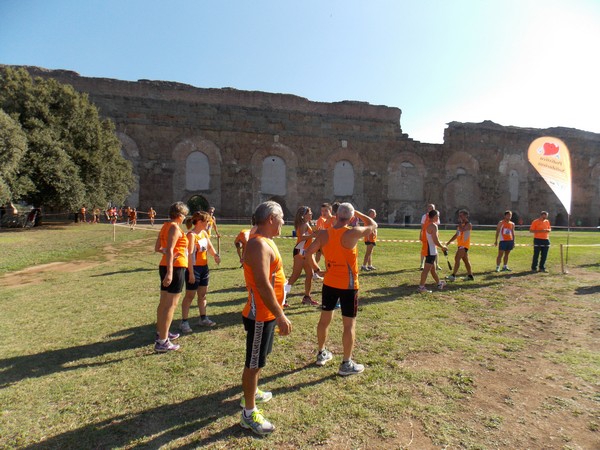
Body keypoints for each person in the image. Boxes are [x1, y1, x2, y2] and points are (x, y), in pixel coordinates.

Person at [305, 203, 377, 376]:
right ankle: (346, 363)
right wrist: (358, 213)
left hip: (329, 283)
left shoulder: (324, 234)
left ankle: (322, 353)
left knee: (324, 320)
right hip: (348, 286)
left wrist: (316, 269)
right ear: (352, 218)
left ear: (335, 215)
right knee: (349, 325)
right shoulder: (353, 232)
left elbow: (308, 252)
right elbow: (373, 225)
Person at [240, 201, 292, 436]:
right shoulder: (258, 244)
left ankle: (253, 392)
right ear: (271, 218)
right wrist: (280, 315)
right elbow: (261, 284)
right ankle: (248, 412)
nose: (284, 222)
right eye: (282, 218)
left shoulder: (265, 241)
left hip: (268, 313)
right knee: (253, 363)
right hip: (261, 315)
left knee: (260, 359)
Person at [154, 202, 189, 352]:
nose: (185, 218)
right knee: (171, 305)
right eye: (185, 215)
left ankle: (162, 332)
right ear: (180, 215)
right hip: (175, 268)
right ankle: (163, 342)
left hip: (167, 266)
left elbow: (158, 248)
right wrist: (170, 271)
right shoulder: (174, 227)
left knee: (164, 303)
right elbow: (168, 249)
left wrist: (169, 255)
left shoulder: (165, 226)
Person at [180, 211, 221, 333]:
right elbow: (190, 254)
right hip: (194, 268)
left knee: (202, 295)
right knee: (189, 296)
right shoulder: (191, 235)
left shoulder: (203, 233)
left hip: (204, 268)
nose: (208, 224)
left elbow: (209, 247)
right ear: (199, 222)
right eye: (206, 221)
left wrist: (215, 256)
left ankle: (203, 318)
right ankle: (184, 322)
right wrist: (191, 273)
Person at [285, 206, 321, 306]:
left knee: (309, 274)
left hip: (305, 251)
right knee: (295, 276)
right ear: (303, 215)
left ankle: (307, 297)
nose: (311, 214)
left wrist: (314, 234)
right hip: (300, 251)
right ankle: (282, 296)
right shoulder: (303, 224)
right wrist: (313, 235)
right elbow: (301, 238)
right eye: (309, 213)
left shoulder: (306, 223)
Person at [418, 209, 447, 292]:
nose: (438, 217)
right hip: (431, 251)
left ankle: (439, 283)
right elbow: (435, 240)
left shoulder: (428, 224)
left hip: (430, 250)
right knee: (426, 270)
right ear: (434, 216)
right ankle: (421, 287)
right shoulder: (434, 226)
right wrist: (442, 247)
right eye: (438, 216)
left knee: (433, 269)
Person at [446, 209, 474, 281]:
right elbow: (456, 235)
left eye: (461, 215)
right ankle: (470, 276)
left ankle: (453, 275)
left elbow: (462, 230)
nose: (460, 217)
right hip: (460, 245)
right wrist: (449, 242)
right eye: (459, 215)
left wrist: (459, 224)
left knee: (457, 258)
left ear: (466, 216)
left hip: (464, 245)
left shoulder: (468, 224)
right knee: (466, 261)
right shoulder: (460, 225)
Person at [420, 204, 441, 270]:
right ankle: (422, 264)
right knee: (424, 249)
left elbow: (437, 225)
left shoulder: (436, 217)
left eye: (432, 207)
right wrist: (421, 234)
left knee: (435, 249)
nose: (430, 208)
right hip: (426, 235)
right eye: (429, 207)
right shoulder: (424, 216)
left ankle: (436, 264)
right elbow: (422, 226)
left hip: (433, 234)